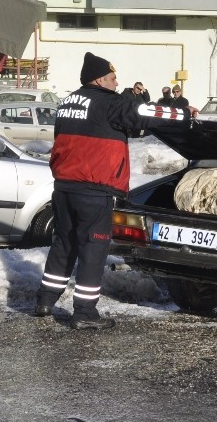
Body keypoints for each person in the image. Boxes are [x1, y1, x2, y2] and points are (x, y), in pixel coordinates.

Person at [34, 52, 192, 330]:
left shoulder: (69, 101)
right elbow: (145, 114)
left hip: (64, 187)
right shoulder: (109, 103)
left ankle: (45, 300)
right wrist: (181, 113)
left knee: (63, 243)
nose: (117, 83)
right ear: (99, 79)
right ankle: (84, 311)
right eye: (112, 78)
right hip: (94, 188)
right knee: (93, 248)